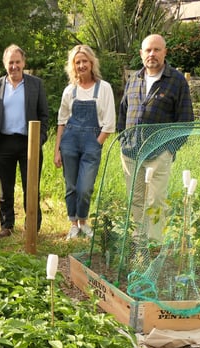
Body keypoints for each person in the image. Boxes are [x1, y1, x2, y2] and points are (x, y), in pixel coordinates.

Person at [117, 34, 194, 244]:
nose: (152, 54)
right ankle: (137, 241)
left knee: (156, 200)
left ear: (165, 52)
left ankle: (153, 244)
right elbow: (123, 113)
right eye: (148, 50)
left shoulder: (176, 81)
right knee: (136, 198)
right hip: (131, 153)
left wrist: (168, 149)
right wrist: (123, 140)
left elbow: (186, 121)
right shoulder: (134, 80)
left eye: (156, 50)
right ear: (141, 54)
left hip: (158, 153)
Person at [0, 45, 49, 239]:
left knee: (31, 186)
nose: (14, 66)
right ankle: (7, 225)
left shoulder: (35, 85)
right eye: (10, 62)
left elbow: (44, 115)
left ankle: (32, 226)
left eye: (17, 62)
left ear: (23, 63)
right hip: (3, 143)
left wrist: (39, 139)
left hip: (29, 142)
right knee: (6, 188)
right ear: (5, 64)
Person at [53, 45, 116, 240]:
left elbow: (109, 122)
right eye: (77, 62)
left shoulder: (104, 88)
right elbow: (61, 122)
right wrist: (57, 150)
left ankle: (83, 220)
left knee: (85, 187)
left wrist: (97, 143)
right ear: (73, 66)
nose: (81, 65)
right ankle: (74, 223)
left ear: (91, 63)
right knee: (71, 185)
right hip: (69, 142)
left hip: (92, 142)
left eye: (84, 61)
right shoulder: (69, 91)